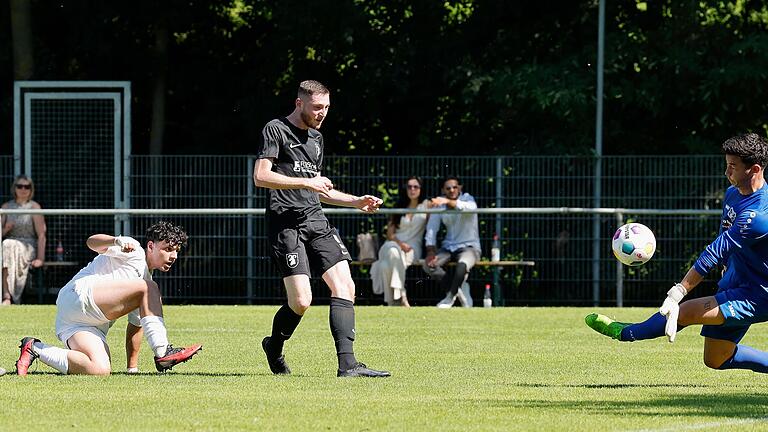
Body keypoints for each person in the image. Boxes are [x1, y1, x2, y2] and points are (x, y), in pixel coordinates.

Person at [586, 133, 768, 375]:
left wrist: (679, 290)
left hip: (758, 294)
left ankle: (626, 332)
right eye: (726, 164)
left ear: (754, 169)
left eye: (733, 166)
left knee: (685, 311)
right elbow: (724, 237)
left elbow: (716, 249)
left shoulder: (758, 215)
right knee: (716, 358)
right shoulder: (733, 194)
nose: (727, 172)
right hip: (735, 282)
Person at [254, 79, 390, 378]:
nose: (322, 113)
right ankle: (274, 346)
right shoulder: (275, 129)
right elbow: (261, 176)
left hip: (316, 220)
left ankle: (348, 364)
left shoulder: (317, 138)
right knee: (301, 301)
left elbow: (318, 188)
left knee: (346, 286)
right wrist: (306, 182)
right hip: (286, 224)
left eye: (327, 107)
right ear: (299, 103)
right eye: (317, 107)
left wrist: (355, 201)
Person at [14, 221, 202, 376]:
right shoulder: (134, 249)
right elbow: (91, 242)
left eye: (176, 251)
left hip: (79, 323)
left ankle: (35, 348)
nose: (173, 256)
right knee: (149, 288)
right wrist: (115, 241)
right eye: (168, 249)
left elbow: (135, 328)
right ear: (151, 246)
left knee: (99, 369)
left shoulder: (142, 289)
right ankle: (163, 352)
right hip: (78, 295)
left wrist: (132, 369)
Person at [423, 176, 481, 308]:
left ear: (460, 188)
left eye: (454, 187)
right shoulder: (440, 204)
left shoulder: (468, 199)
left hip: (470, 247)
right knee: (428, 265)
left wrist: (447, 202)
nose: (452, 190)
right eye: (448, 188)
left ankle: (449, 298)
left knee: (462, 266)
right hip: (448, 247)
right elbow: (432, 228)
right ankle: (459, 290)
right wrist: (431, 251)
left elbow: (468, 208)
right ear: (443, 189)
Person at [370, 176, 429, 307]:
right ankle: (401, 294)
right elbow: (390, 234)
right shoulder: (399, 206)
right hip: (393, 244)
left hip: (413, 247)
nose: (412, 189)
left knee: (385, 265)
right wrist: (400, 244)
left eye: (415, 186)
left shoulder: (427, 206)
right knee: (392, 250)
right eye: (409, 186)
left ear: (421, 189)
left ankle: (392, 302)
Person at [1, 175, 46, 305]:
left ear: (31, 189)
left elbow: (41, 235)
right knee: (7, 246)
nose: (23, 189)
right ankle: (6, 295)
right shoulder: (6, 207)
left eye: (27, 186)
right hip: (8, 246)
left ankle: (7, 296)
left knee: (7, 246)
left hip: (28, 245)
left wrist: (40, 258)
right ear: (14, 188)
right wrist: (6, 229)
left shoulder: (34, 207)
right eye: (19, 186)